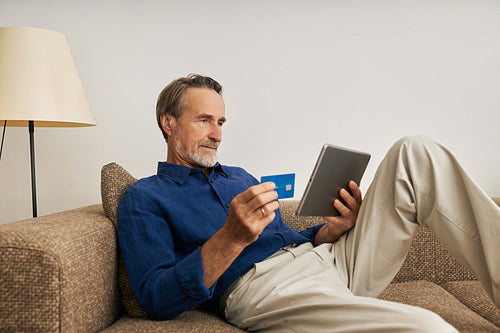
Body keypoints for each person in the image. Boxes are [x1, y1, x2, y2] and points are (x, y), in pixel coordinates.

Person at [117, 74, 500, 332]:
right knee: (429, 327)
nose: (217, 134)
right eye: (204, 120)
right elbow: (156, 297)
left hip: (331, 260)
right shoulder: (144, 197)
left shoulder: (239, 177)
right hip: (265, 290)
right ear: (168, 123)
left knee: (415, 151)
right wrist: (231, 238)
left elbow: (283, 237)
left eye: (221, 122)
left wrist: (328, 231)